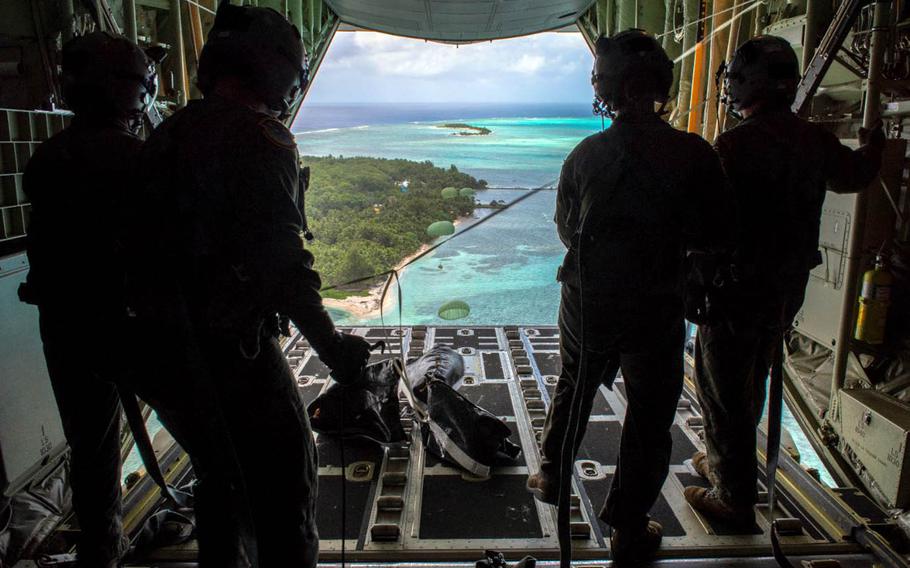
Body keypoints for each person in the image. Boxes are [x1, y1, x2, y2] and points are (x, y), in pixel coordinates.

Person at [124, 3, 371, 566]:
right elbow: (285, 263)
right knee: (286, 489)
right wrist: (335, 351)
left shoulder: (167, 134)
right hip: (231, 354)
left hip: (165, 354)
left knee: (220, 480)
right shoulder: (261, 138)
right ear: (277, 70)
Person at [525, 30, 732, 565]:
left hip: (589, 297)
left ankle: (551, 472)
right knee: (649, 413)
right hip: (655, 302)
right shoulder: (694, 154)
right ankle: (629, 525)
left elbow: (569, 232)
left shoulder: (585, 155)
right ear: (663, 87)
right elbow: (713, 235)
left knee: (575, 383)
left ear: (605, 93)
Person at [684, 35, 884, 525]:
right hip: (785, 288)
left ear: (745, 86)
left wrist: (691, 284)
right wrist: (877, 140)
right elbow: (855, 176)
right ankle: (725, 466)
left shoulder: (733, 147)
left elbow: (707, 227)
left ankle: (732, 497)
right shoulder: (813, 141)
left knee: (720, 384)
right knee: (753, 376)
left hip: (735, 290)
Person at [18, 32, 160, 567]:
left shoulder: (49, 157)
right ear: (131, 92)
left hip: (66, 325)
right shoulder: (137, 160)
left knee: (91, 447)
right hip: (130, 325)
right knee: (209, 435)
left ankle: (101, 546)